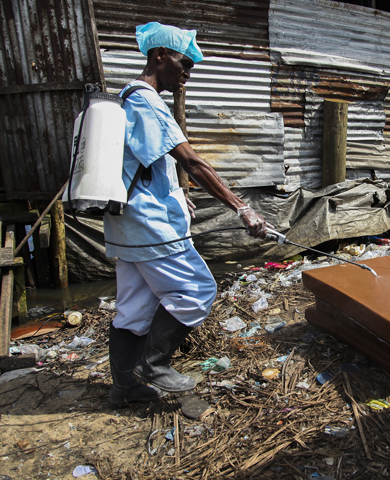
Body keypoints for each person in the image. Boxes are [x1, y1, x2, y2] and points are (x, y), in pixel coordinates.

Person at [105, 22, 269, 405]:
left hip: (127, 223)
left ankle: (124, 388)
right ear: (160, 55)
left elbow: (144, 164)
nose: (187, 74)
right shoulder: (146, 99)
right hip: (150, 224)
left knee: (132, 308)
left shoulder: (127, 98)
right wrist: (241, 207)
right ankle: (153, 364)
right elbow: (193, 162)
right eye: (183, 62)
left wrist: (175, 194)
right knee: (197, 290)